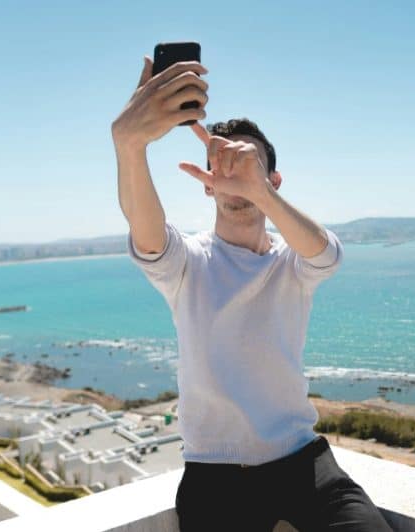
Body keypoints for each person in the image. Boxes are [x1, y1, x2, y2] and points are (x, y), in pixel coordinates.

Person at [111, 55, 392, 531]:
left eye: (247, 165)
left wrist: (259, 193)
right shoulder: (189, 262)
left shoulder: (290, 261)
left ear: (274, 182)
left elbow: (327, 254)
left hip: (305, 463)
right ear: (207, 187)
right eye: (221, 166)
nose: (232, 175)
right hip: (214, 477)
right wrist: (129, 145)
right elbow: (148, 233)